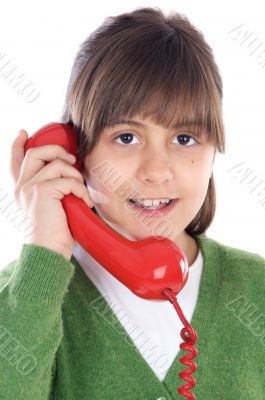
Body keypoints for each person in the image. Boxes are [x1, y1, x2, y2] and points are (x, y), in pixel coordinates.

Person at [1, 6, 264, 400]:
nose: (156, 172)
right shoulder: (23, 301)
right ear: (74, 150)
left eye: (185, 139)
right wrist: (45, 252)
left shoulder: (255, 288)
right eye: (126, 137)